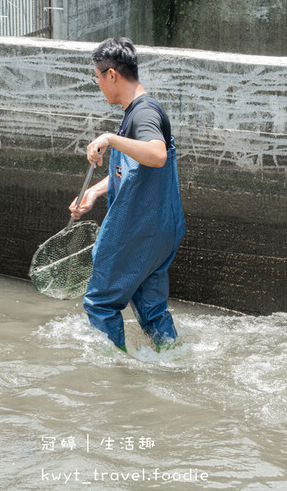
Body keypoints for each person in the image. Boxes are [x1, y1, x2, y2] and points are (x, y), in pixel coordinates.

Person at [69, 37, 186, 352]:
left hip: (137, 230)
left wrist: (109, 138)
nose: (99, 86)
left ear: (111, 75)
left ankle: (112, 381)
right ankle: (175, 362)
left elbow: (156, 155)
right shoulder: (143, 110)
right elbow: (138, 170)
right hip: (162, 229)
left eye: (98, 78)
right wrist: (94, 190)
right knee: (152, 309)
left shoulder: (142, 114)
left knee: (101, 304)